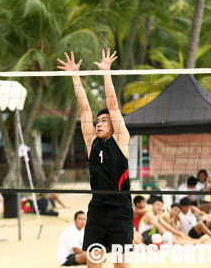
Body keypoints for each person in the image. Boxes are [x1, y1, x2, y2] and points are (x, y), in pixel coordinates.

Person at [58, 49, 133, 268]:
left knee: (120, 264)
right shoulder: (93, 143)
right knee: (94, 263)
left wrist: (106, 72)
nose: (99, 123)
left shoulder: (120, 139)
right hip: (98, 211)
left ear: (113, 125)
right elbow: (84, 109)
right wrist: (74, 76)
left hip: (120, 211)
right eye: (98, 121)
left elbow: (112, 105)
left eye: (103, 121)